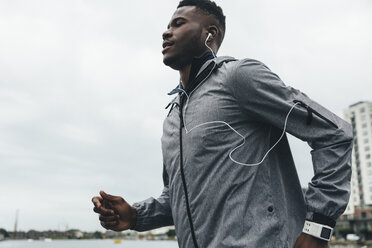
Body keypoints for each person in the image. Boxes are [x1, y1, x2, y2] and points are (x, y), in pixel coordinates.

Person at [92, 0, 353, 247]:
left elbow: (334, 133)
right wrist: (136, 216)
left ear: (210, 33)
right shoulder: (172, 117)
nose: (166, 32)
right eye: (168, 25)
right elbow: (177, 198)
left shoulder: (238, 77)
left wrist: (318, 228)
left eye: (178, 24)